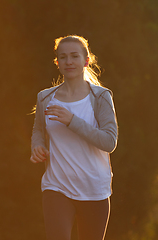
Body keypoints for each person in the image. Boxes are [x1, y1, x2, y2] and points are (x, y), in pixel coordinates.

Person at [30, 35, 118, 240]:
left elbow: (109, 141)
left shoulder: (100, 97)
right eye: (63, 57)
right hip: (57, 186)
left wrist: (72, 121)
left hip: (94, 188)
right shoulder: (45, 97)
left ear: (86, 61)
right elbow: (38, 130)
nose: (68, 61)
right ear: (57, 62)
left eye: (74, 56)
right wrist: (37, 146)